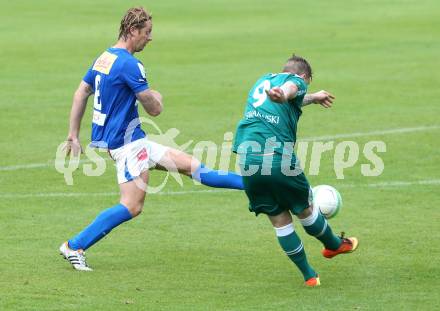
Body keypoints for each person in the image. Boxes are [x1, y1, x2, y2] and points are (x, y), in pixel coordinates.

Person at [59, 7, 243, 271]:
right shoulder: (130, 64)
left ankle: (255, 185)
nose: (150, 38)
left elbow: (81, 92)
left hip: (137, 141)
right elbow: (155, 109)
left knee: (193, 167)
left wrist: (72, 134)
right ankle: (74, 245)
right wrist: (157, 95)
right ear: (133, 31)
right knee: (132, 206)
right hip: (128, 146)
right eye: (147, 33)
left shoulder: (104, 57)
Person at [232, 54, 358, 287]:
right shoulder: (294, 80)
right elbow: (290, 90)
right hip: (277, 158)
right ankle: (333, 245)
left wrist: (314, 97)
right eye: (306, 84)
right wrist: (285, 93)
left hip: (248, 160)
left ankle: (310, 276)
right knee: (305, 209)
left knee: (280, 221)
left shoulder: (262, 81)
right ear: (304, 76)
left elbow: (294, 98)